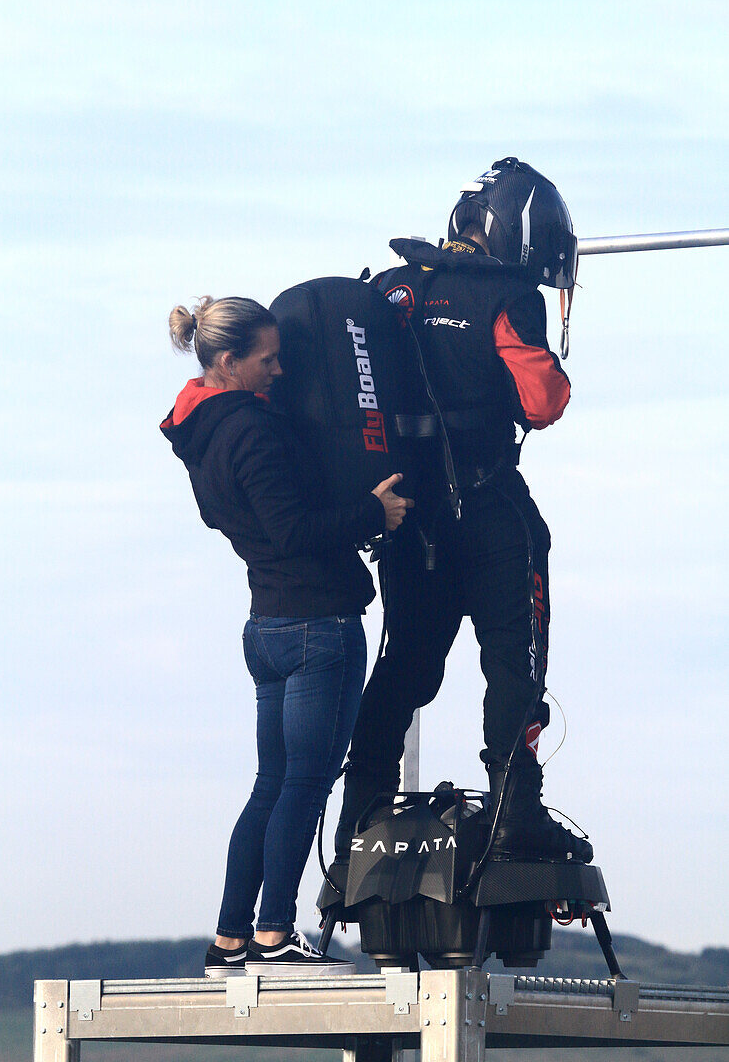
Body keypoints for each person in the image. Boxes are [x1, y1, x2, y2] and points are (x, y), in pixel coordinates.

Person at [335, 158, 593, 865]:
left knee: (405, 668)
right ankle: (514, 820)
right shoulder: (506, 295)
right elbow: (542, 405)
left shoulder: (390, 287)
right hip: (486, 510)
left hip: (405, 517)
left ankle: (358, 821)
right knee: (513, 664)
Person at [160, 295, 412, 976]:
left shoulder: (203, 433)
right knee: (302, 784)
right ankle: (274, 936)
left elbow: (255, 527)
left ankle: (229, 943)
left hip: (267, 626)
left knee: (271, 785)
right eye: (267, 360)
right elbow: (294, 531)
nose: (278, 371)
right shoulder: (253, 432)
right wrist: (373, 510)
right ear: (228, 360)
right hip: (315, 627)